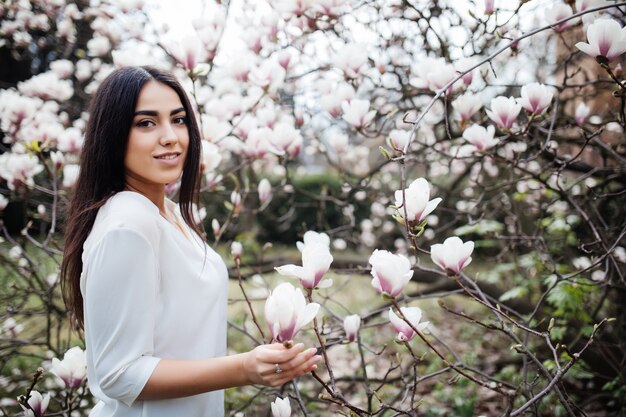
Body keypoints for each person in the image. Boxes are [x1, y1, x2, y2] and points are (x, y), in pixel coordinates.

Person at [60, 66, 321, 417]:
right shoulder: (128, 224)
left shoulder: (166, 212)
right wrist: (244, 368)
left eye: (178, 119)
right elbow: (118, 374)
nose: (170, 137)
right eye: (146, 123)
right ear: (112, 134)